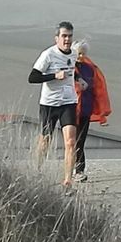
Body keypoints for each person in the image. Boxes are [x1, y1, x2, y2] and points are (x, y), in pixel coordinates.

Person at [28, 21, 79, 188]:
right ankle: (36, 170)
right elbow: (33, 77)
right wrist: (53, 76)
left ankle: (68, 181)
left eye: (70, 36)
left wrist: (80, 80)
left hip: (68, 102)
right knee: (45, 141)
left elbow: (71, 71)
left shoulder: (74, 54)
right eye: (64, 36)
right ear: (56, 38)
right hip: (49, 103)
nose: (67, 40)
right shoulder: (48, 55)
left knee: (71, 142)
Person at [72, 40, 112, 182]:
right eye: (78, 53)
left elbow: (99, 91)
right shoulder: (68, 67)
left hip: (85, 109)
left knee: (80, 141)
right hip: (71, 109)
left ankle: (79, 170)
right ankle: (70, 169)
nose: (80, 56)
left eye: (82, 53)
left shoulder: (90, 69)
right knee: (71, 141)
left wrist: (102, 113)